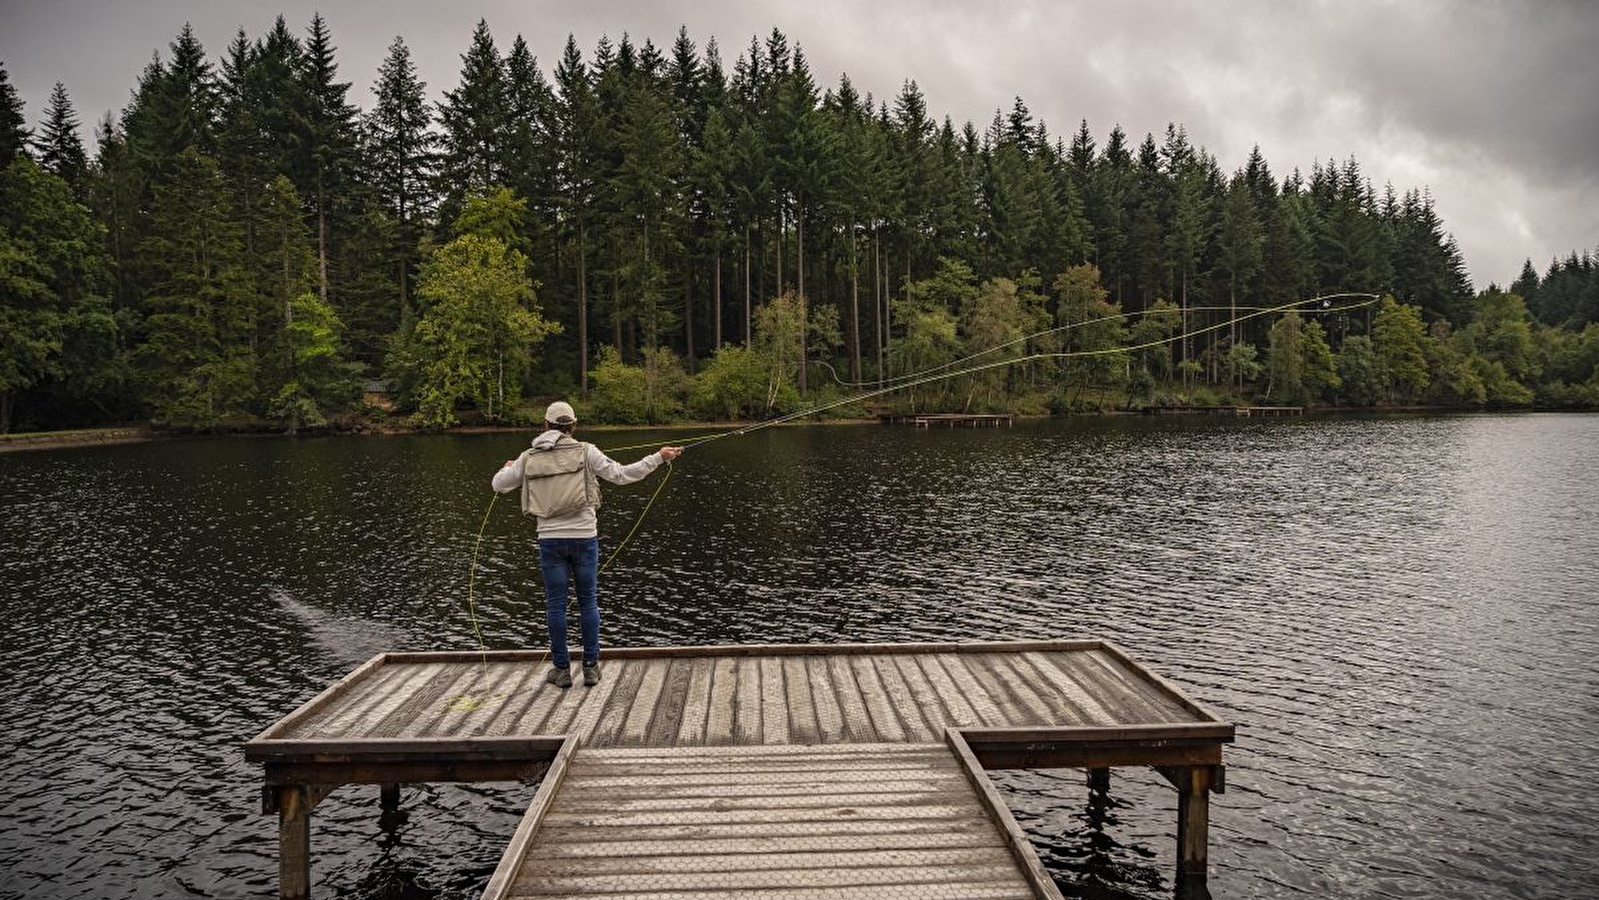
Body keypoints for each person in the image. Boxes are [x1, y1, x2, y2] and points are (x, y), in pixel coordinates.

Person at [492, 400, 681, 688]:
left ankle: (561, 670)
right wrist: (659, 457)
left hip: (550, 541)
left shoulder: (527, 457)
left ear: (546, 425)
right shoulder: (587, 451)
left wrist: (506, 468)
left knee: (556, 606)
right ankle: (591, 668)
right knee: (588, 601)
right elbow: (623, 475)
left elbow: (499, 485)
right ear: (573, 426)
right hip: (584, 538)